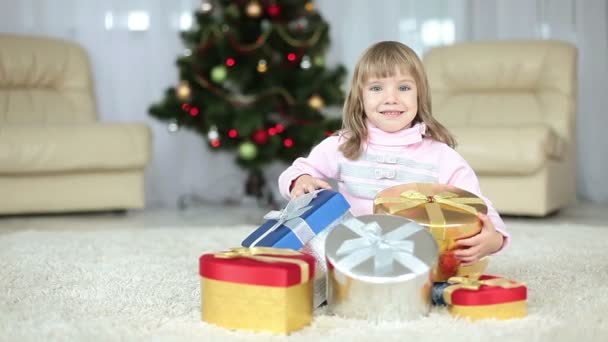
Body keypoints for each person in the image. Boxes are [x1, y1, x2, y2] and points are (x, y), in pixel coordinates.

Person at [278, 41, 508, 264]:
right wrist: (301, 180)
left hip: (415, 255)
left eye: (404, 88)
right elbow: (299, 170)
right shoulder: (343, 145)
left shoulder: (441, 156)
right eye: (376, 88)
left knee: (445, 279)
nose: (391, 99)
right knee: (305, 263)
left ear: (420, 95)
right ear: (360, 97)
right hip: (350, 251)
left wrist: (495, 237)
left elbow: (477, 203)